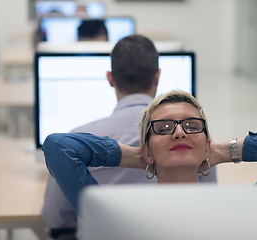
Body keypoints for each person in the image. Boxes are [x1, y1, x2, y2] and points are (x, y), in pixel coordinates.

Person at [41, 35, 217, 239]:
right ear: (158, 76)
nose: (177, 133)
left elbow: (55, 218)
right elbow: (207, 199)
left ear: (110, 78)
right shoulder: (191, 138)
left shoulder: (78, 146)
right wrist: (227, 151)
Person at [43, 90, 257, 213]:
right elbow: (59, 147)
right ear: (147, 150)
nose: (179, 132)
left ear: (207, 144)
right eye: (164, 128)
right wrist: (138, 158)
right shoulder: (114, 213)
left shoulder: (244, 211)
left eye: (192, 126)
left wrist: (224, 151)